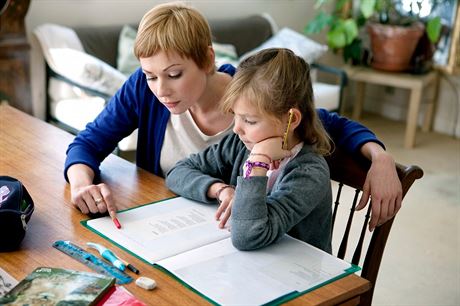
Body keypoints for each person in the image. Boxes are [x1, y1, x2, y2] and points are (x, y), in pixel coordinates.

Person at [64, 2, 401, 232]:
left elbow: (330, 123)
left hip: (233, 239)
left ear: (207, 59)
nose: (161, 89)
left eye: (175, 74)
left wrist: (380, 157)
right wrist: (81, 184)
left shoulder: (251, 97)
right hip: (170, 228)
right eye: (151, 75)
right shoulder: (142, 88)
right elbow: (89, 142)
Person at [167, 48, 332, 251]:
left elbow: (248, 236)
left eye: (250, 120)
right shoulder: (239, 145)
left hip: (299, 277)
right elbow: (177, 172)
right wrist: (221, 190)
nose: (237, 128)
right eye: (235, 115)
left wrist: (258, 162)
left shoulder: (309, 173)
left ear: (292, 119)